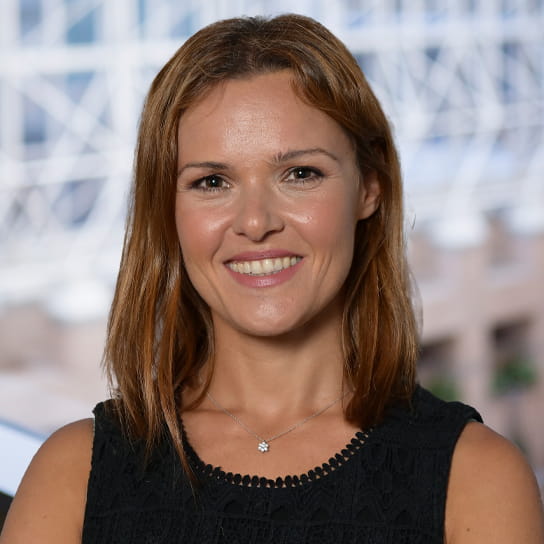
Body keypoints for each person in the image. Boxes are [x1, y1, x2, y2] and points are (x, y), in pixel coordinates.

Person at [1, 13, 543, 544]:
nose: (256, 223)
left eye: (300, 174)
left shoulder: (477, 480)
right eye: (212, 182)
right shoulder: (71, 474)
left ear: (369, 188)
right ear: (167, 209)